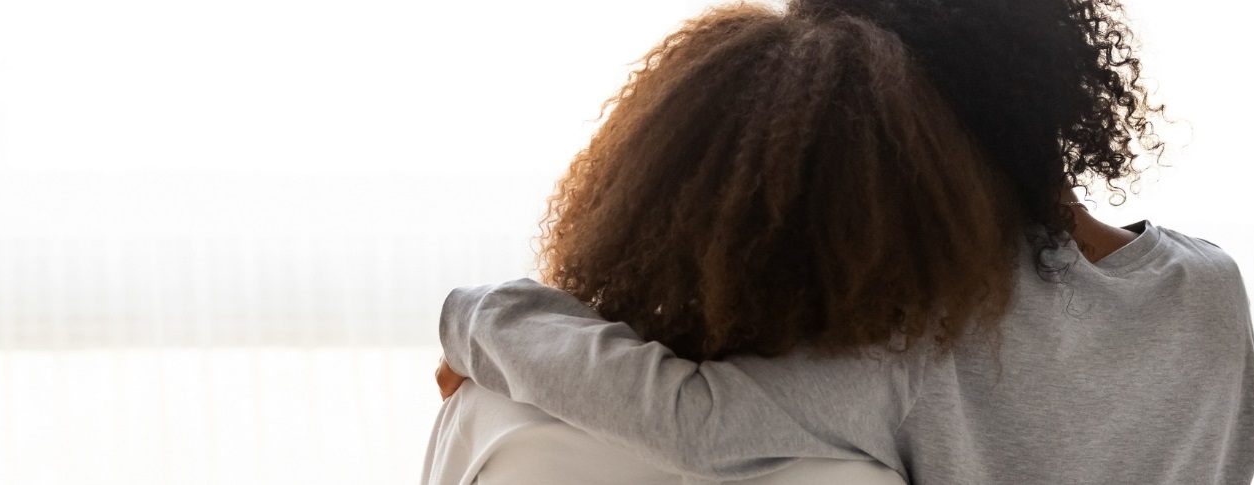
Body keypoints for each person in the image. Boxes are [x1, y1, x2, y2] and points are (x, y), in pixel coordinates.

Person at [435, 0, 1254, 482]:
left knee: (496, 417)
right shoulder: (1210, 292)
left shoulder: (925, 335)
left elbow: (692, 417)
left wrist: (482, 318)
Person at [423, 4, 1018, 484]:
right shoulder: (871, 434)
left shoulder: (487, 413)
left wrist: (481, 317)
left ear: (640, 193)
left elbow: (695, 422)